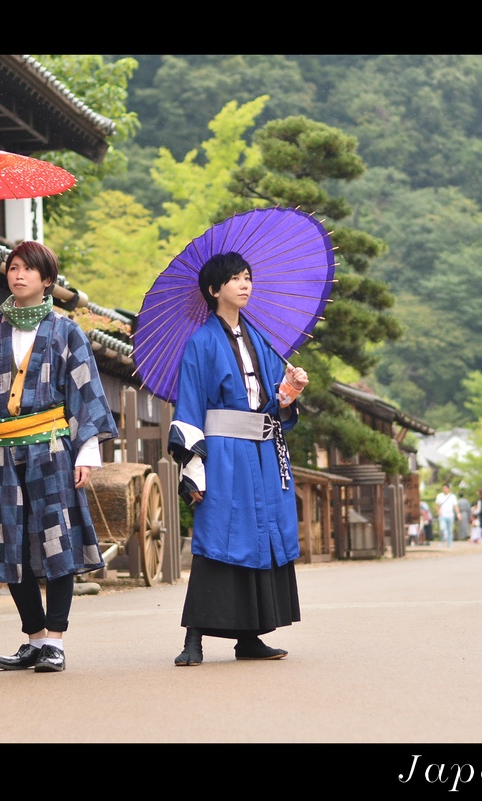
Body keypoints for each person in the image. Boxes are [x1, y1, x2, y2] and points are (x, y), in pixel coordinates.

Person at [0, 241, 118, 674]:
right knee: (10, 542)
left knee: (56, 539)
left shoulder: (66, 331)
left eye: (28, 269)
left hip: (53, 450)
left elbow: (86, 393)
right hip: (1, 452)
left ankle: (56, 641)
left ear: (47, 281)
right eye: (13, 267)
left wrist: (87, 453)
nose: (18, 275)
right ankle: (34, 639)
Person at [168, 251, 308, 666]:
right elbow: (190, 406)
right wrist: (195, 469)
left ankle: (250, 638)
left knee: (260, 535)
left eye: (248, 277)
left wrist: (289, 392)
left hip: (262, 453)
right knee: (219, 535)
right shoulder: (200, 342)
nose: (245, 284)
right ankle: (193, 639)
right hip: (224, 455)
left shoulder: (260, 339)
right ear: (214, 290)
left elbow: (271, 405)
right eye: (235, 278)